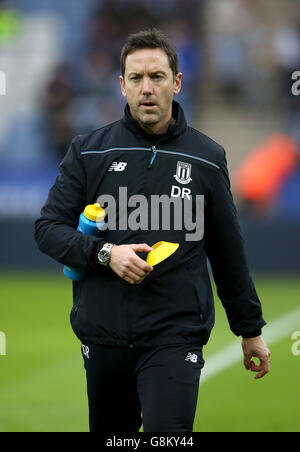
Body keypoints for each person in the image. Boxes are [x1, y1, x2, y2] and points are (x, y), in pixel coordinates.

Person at [35, 28, 270, 433]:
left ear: (176, 83)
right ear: (122, 85)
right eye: (137, 78)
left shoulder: (208, 158)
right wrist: (106, 254)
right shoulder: (89, 150)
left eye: (157, 77)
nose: (147, 88)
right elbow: (48, 229)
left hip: (175, 336)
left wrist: (249, 329)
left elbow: (228, 250)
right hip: (104, 335)